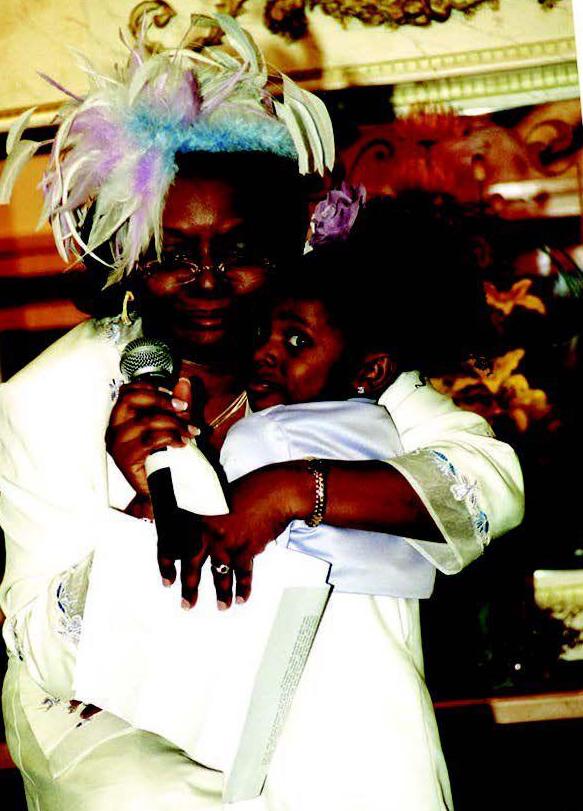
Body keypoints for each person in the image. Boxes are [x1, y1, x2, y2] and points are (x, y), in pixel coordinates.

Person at [0, 14, 523, 811]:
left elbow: (487, 482)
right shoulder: (46, 398)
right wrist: (144, 511)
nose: (208, 280)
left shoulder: (322, 354)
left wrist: (291, 490)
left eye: (240, 251)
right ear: (128, 261)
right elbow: (43, 645)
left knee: (362, 694)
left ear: (284, 248)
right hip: (109, 711)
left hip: (298, 676)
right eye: (172, 255)